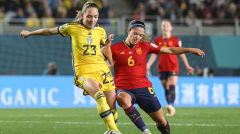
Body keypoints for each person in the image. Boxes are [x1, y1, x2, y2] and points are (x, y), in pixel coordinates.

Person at [20, 1, 121, 134]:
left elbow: (104, 47)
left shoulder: (100, 31)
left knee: (112, 107)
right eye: (90, 16)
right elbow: (50, 31)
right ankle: (114, 131)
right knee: (100, 97)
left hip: (102, 70)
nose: (93, 20)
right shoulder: (72, 28)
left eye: (95, 17)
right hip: (84, 71)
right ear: (83, 15)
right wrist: (30, 33)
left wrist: (111, 62)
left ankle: (111, 129)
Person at [104, 20, 204, 134]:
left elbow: (170, 50)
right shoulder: (114, 48)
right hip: (124, 88)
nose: (137, 37)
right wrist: (105, 47)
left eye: (141, 35)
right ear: (128, 31)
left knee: (161, 121)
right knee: (122, 98)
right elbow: (98, 61)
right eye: (135, 33)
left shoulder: (146, 46)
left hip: (144, 88)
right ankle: (146, 131)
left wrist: (190, 50)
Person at [147, 20, 195, 117]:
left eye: (167, 25)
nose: (165, 27)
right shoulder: (157, 40)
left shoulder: (176, 40)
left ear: (171, 28)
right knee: (166, 88)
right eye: (163, 25)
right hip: (162, 68)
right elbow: (155, 54)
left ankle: (171, 105)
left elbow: (181, 53)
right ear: (161, 28)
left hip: (173, 67)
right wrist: (148, 64)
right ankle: (170, 107)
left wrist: (187, 66)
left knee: (171, 85)